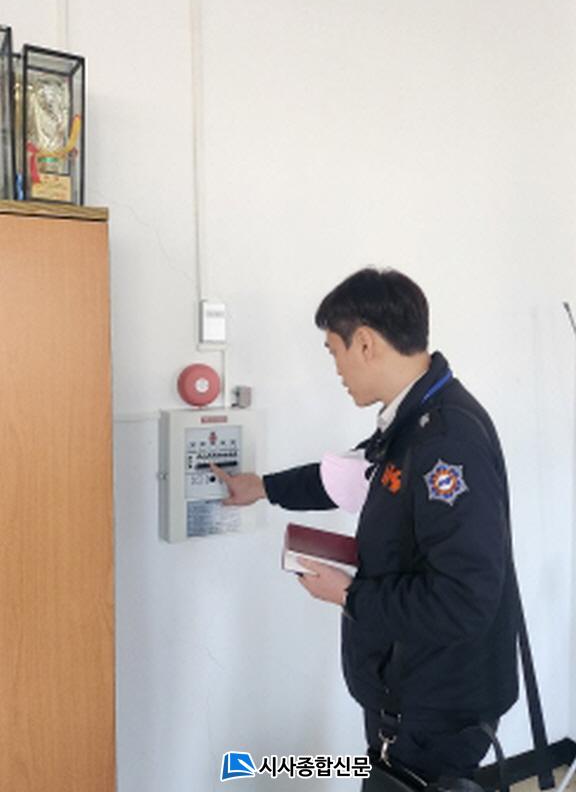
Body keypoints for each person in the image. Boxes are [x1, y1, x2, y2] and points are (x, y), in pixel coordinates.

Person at [212, 268, 519, 788]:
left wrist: (349, 594)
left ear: (366, 343)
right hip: (410, 691)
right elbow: (349, 476)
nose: (335, 369)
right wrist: (261, 487)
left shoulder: (445, 440)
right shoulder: (412, 419)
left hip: (437, 706)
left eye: (334, 351)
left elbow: (465, 599)